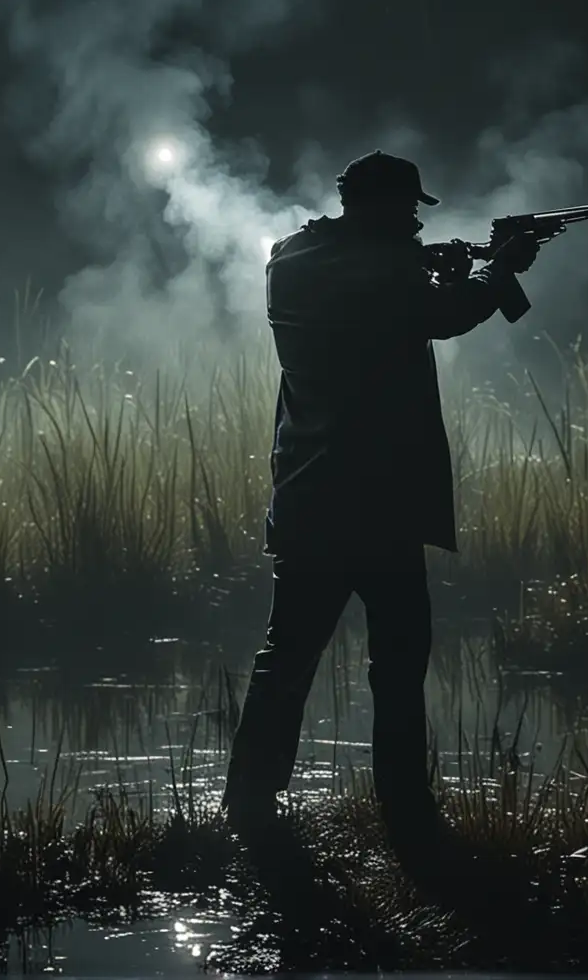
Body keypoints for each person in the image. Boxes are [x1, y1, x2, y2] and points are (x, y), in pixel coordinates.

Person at [221, 149, 538, 881]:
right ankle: (407, 816)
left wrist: (431, 258)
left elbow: (375, 281)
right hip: (382, 505)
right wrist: (497, 266)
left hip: (308, 499)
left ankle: (249, 806)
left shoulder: (292, 261)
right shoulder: (382, 273)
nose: (414, 222)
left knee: (285, 660)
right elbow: (444, 315)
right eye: (408, 212)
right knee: (397, 668)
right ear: (386, 210)